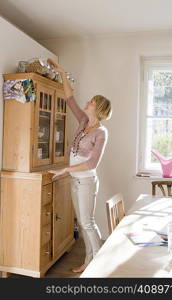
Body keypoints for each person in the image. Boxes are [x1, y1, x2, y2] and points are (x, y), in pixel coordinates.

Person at [47, 58, 112, 273]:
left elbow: (92, 163)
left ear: (99, 108)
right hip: (76, 181)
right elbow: (69, 97)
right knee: (84, 223)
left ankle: (99, 262)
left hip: (86, 182)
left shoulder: (101, 132)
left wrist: (66, 169)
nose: (88, 102)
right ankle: (89, 260)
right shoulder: (84, 121)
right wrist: (61, 72)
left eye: (92, 101)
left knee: (87, 223)